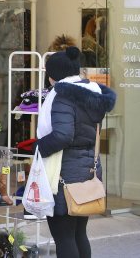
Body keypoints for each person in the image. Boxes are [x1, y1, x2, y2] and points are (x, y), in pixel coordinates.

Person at [36, 46, 116, 258]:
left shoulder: (62, 95)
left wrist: (38, 147)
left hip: (65, 172)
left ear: (54, 75)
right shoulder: (93, 92)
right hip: (88, 168)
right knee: (79, 233)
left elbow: (63, 135)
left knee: (64, 236)